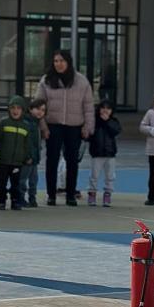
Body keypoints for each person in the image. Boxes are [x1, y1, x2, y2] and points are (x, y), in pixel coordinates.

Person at [35, 49, 94, 206]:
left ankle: (70, 194)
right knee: (52, 161)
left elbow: (88, 106)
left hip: (74, 126)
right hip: (52, 125)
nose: (59, 64)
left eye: (61, 61)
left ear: (68, 62)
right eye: (56, 61)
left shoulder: (81, 81)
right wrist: (43, 127)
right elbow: (38, 106)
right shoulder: (46, 80)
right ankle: (51, 195)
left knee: (72, 161)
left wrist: (88, 126)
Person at [0, 96, 31, 211]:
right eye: (13, 108)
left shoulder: (25, 126)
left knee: (16, 184)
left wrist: (27, 156)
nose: (15, 111)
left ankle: (15, 201)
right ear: (9, 109)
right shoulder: (3, 123)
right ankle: (1, 201)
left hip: (17, 162)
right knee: (2, 183)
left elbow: (27, 144)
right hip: (3, 161)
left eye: (18, 108)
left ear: (23, 110)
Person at [88, 99, 121, 208]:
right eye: (103, 108)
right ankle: (92, 193)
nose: (105, 111)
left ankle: (108, 194)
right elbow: (89, 135)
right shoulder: (94, 121)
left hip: (110, 153)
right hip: (96, 153)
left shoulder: (114, 121)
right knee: (94, 175)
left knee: (110, 176)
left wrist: (107, 122)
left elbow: (116, 131)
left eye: (108, 108)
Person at [20, 98, 46, 209]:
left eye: (43, 110)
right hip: (28, 157)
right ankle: (21, 198)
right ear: (30, 109)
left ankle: (32, 198)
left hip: (34, 157)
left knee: (33, 179)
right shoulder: (28, 123)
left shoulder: (36, 123)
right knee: (23, 178)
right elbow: (28, 142)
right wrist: (29, 155)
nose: (40, 112)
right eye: (37, 109)